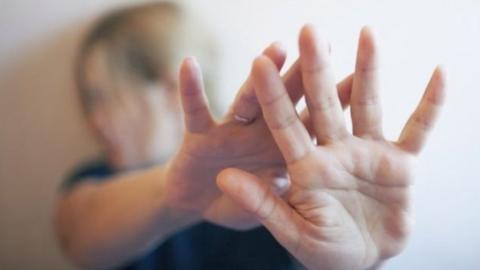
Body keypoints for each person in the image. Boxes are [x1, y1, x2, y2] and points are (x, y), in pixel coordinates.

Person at [54, 2, 445, 270]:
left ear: (169, 88)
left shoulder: (278, 191)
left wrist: (363, 260)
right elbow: (77, 233)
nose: (94, 122)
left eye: (102, 98)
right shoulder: (98, 180)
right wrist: (176, 197)